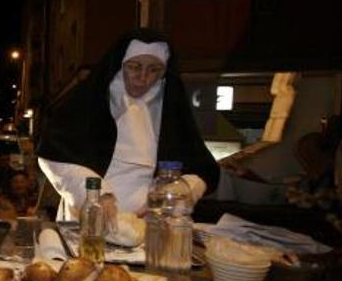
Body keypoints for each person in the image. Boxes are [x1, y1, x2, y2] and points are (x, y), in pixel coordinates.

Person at [37, 28, 219, 220]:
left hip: (149, 225)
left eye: (154, 69)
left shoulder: (170, 111)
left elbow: (202, 170)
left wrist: (175, 193)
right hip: (89, 221)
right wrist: (96, 195)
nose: (143, 77)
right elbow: (53, 155)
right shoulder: (91, 102)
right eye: (134, 67)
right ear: (121, 64)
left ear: (164, 72)